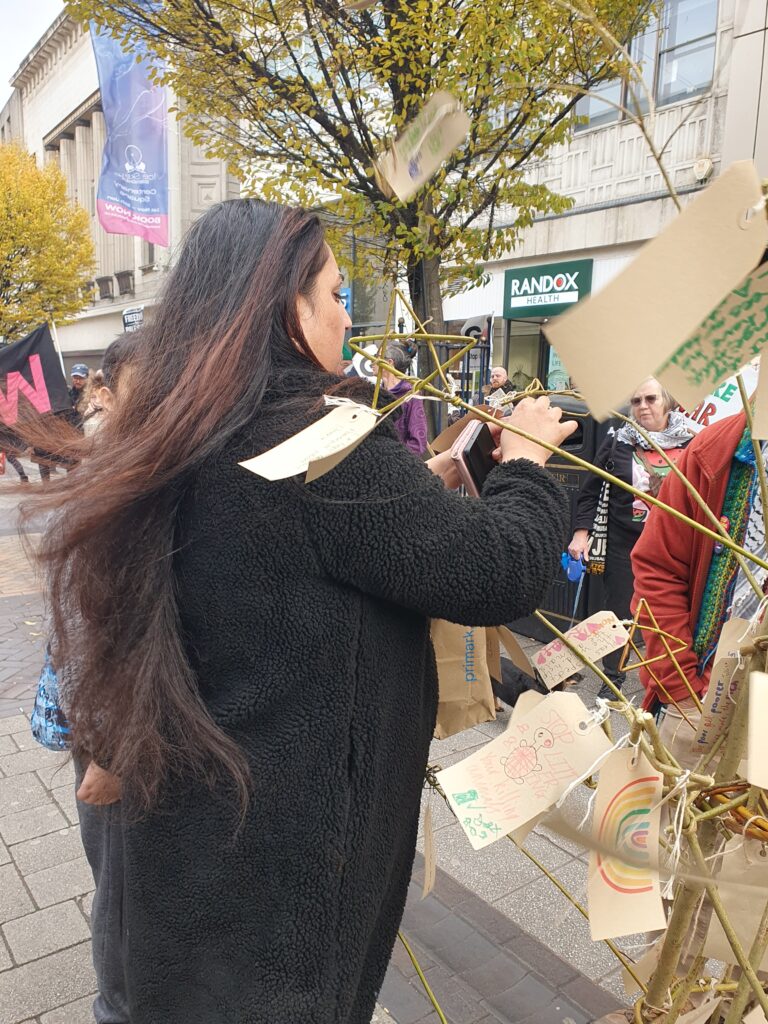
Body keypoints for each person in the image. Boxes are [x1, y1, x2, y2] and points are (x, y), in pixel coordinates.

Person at [26, 199, 574, 1024]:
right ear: (290, 309)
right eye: (337, 294)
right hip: (278, 913)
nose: (348, 316)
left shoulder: (173, 432)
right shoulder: (319, 445)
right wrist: (528, 463)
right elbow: (499, 571)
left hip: (182, 874)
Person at [567, 378, 693, 698]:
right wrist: (581, 535)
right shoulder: (618, 442)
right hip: (625, 542)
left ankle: (669, 679)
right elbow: (591, 489)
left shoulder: (693, 440)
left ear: (667, 402)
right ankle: (614, 677)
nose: (643, 407)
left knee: (671, 613)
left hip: (676, 546)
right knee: (620, 613)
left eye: (651, 399)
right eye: (636, 401)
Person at [381, 341, 429, 455]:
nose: (372, 362)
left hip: (398, 464)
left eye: (377, 357)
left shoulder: (411, 395)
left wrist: (394, 459)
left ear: (389, 363)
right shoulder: (374, 392)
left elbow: (418, 442)